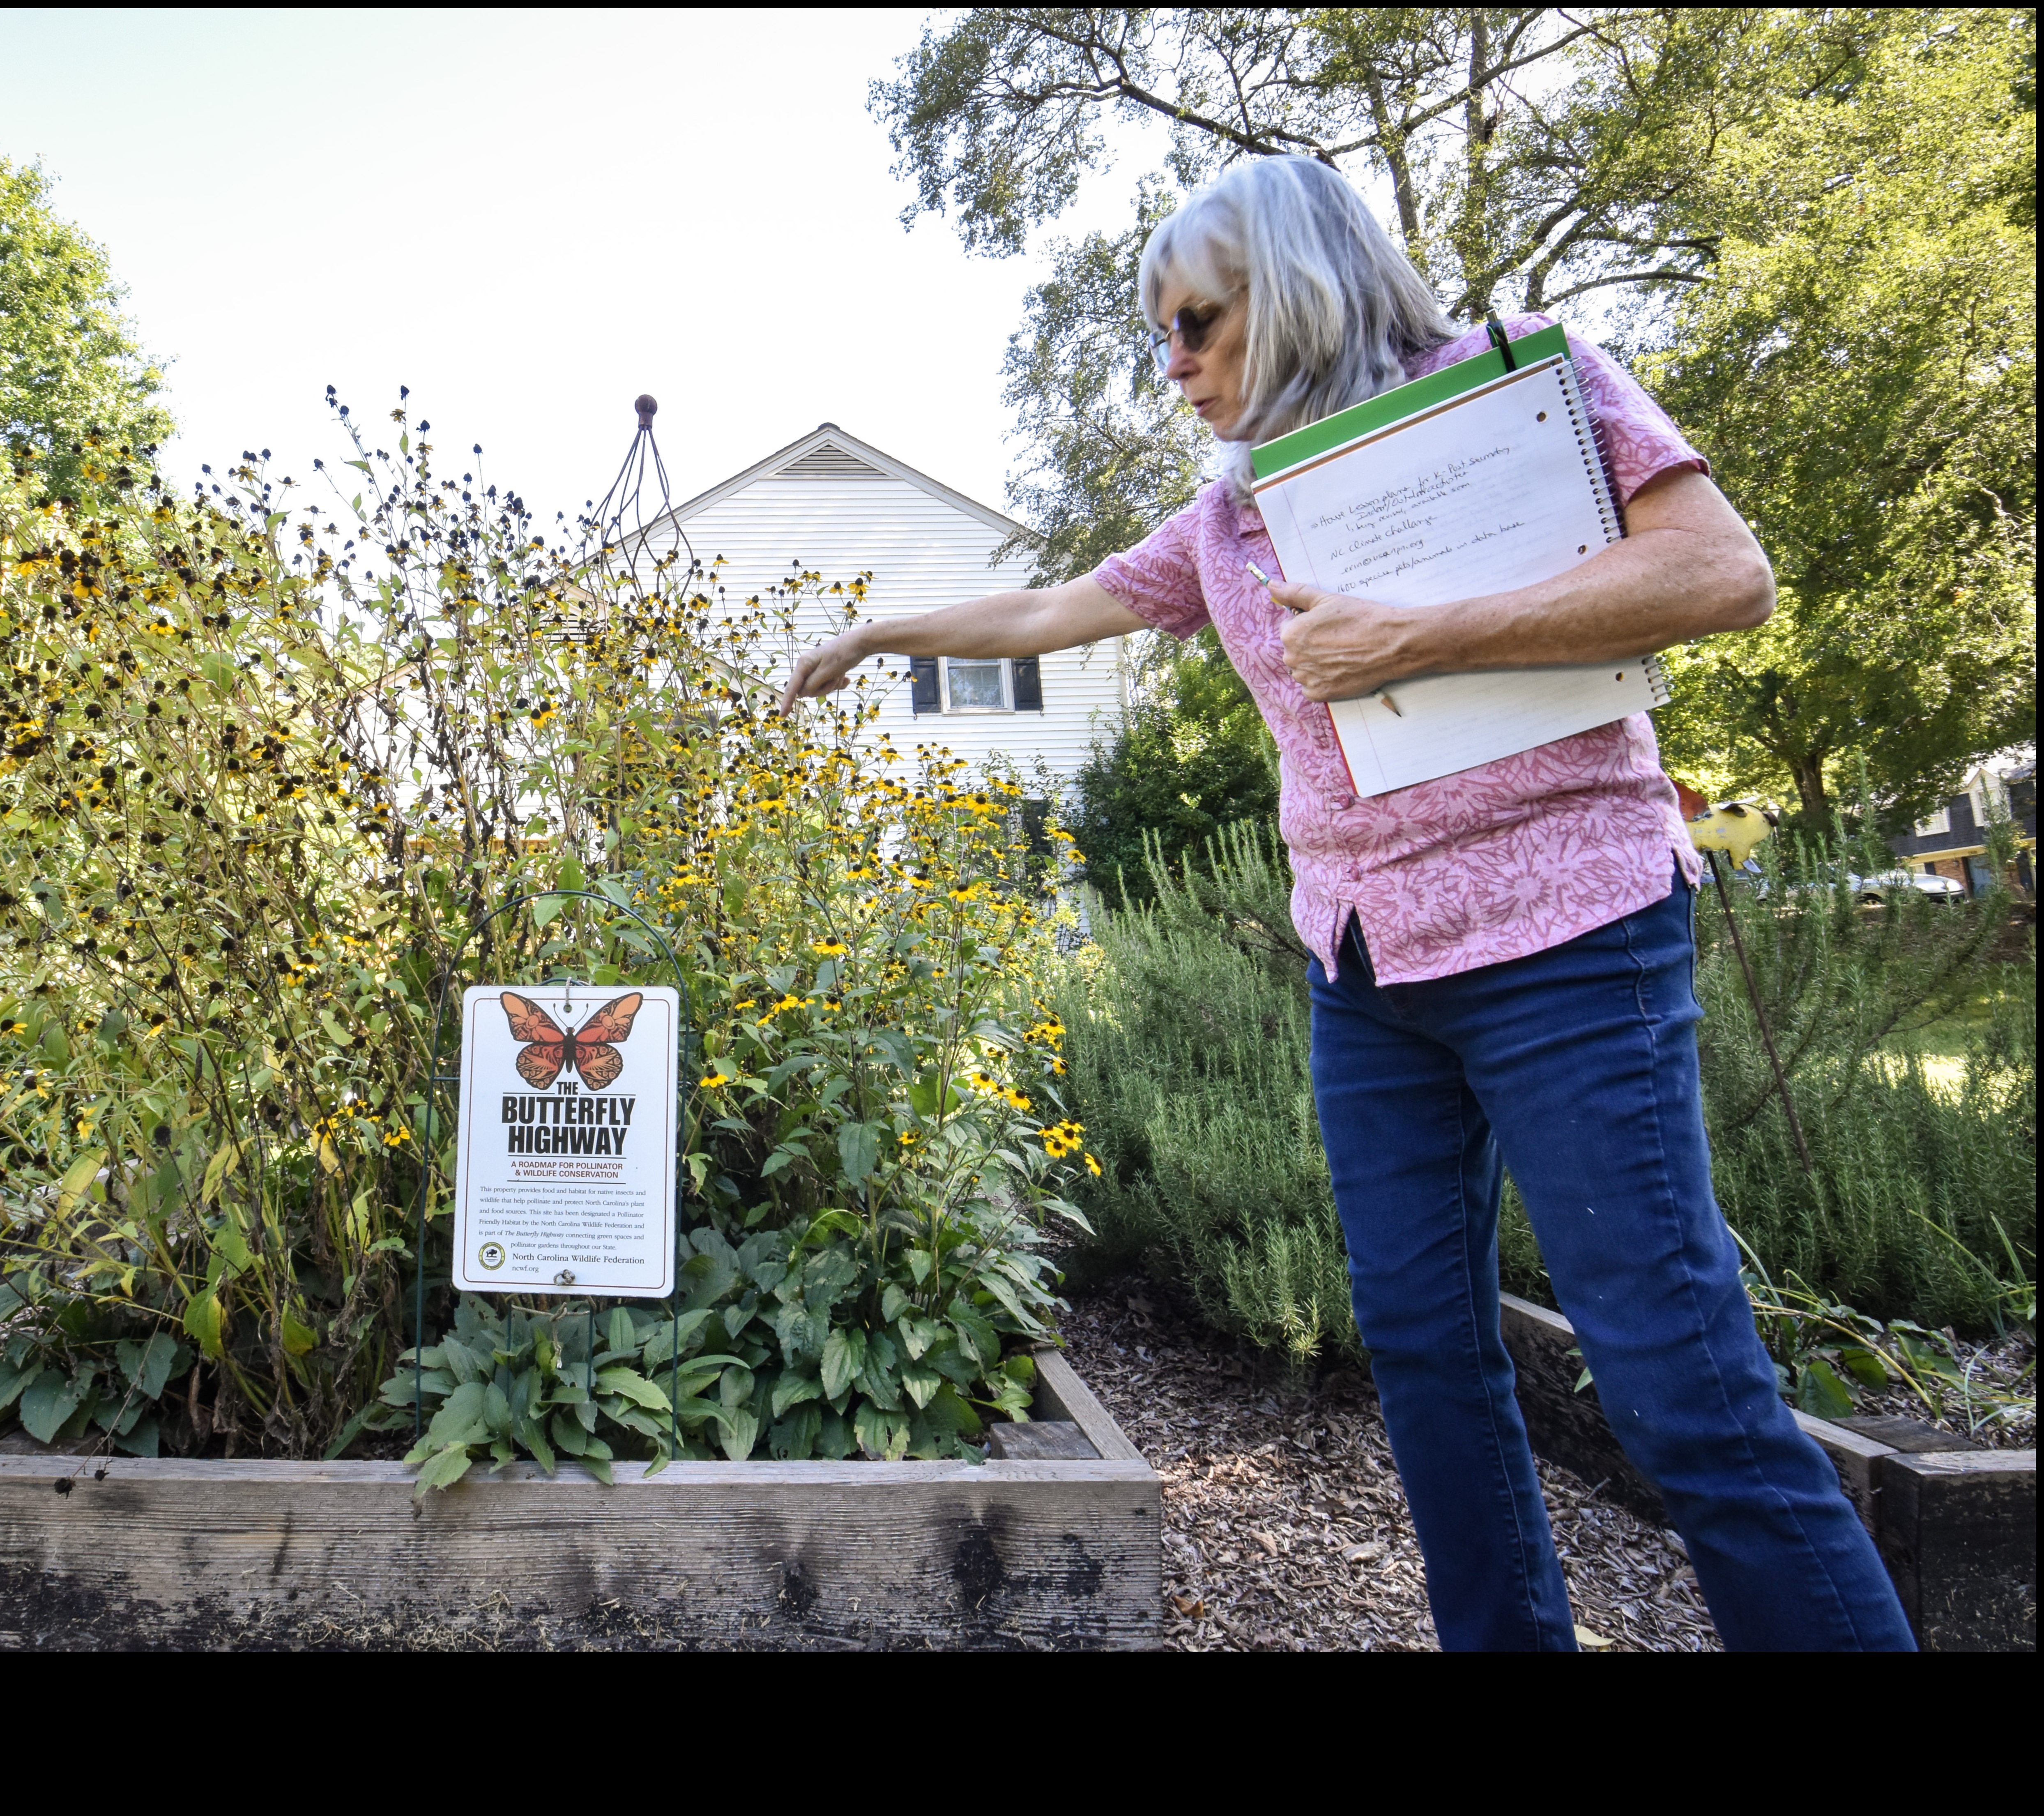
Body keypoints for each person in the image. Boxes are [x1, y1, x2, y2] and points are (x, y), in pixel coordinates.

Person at [781, 156, 1913, 1652]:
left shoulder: (1528, 389)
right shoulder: (1232, 516)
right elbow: (1055, 610)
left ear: (1299, 286)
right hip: (1367, 972)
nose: (1173, 365)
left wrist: (1424, 635)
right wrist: (874, 630)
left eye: (1196, 323)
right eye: (1160, 337)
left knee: (1676, 1386)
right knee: (1428, 1361)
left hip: (1567, 939)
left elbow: (1723, 574)